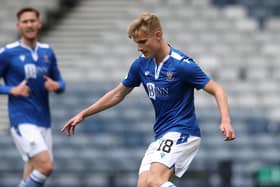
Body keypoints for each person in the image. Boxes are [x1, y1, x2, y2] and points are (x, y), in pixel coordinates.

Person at [61, 13, 235, 187]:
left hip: (183, 131)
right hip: (161, 134)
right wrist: (84, 114)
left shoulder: (181, 65)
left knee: (155, 180)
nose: (139, 47)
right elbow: (117, 94)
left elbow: (217, 90)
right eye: (137, 43)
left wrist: (225, 121)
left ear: (158, 35)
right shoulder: (141, 64)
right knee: (143, 185)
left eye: (143, 42)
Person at [0, 7, 65, 187]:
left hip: (43, 120)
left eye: (32, 21)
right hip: (22, 119)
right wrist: (11, 90)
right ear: (18, 25)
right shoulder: (8, 52)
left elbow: (61, 82)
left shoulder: (47, 52)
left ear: (39, 23)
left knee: (34, 170)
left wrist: (56, 85)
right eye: (25, 21)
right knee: (46, 166)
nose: (29, 24)